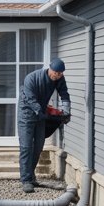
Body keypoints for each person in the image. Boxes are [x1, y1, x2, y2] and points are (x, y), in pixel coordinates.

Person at [18, 59, 71, 194]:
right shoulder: (32, 78)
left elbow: (64, 94)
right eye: (55, 73)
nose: (57, 76)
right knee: (26, 147)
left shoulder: (59, 78)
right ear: (50, 69)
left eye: (60, 74)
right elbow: (30, 98)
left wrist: (66, 111)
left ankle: (31, 176)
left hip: (41, 112)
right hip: (26, 113)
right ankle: (26, 180)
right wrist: (40, 112)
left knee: (38, 146)